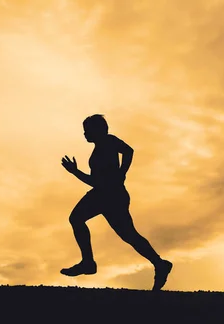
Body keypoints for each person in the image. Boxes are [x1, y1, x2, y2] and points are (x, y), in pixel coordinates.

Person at [60, 114, 173, 291]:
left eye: (87, 130)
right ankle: (89, 262)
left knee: (128, 235)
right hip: (102, 194)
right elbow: (96, 181)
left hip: (111, 196)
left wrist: (122, 173)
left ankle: (159, 264)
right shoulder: (99, 149)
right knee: (79, 220)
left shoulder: (108, 141)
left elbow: (128, 151)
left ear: (97, 130)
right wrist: (76, 172)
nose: (84, 134)